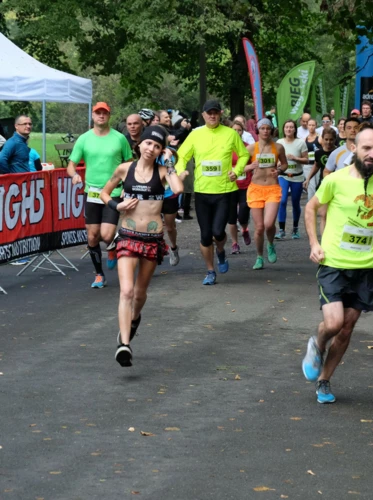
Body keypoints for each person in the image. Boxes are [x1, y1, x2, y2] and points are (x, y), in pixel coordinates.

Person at [301, 128, 373, 403]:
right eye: (366, 148)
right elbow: (310, 208)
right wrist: (314, 243)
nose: (372, 154)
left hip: (368, 267)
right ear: (354, 149)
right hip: (333, 261)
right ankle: (318, 343)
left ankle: (324, 380)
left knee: (346, 328)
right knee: (333, 323)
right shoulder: (335, 180)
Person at [100, 126, 184, 367]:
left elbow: (178, 189)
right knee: (126, 291)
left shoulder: (162, 172)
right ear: (140, 145)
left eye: (157, 146)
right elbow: (105, 193)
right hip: (127, 235)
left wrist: (169, 163)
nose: (151, 149)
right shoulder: (125, 169)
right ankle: (124, 344)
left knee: (139, 293)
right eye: (148, 144)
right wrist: (116, 206)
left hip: (152, 240)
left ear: (161, 150)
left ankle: (134, 319)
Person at [175, 100, 250, 285]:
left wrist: (238, 170)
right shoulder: (195, 134)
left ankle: (221, 251)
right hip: (202, 192)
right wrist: (180, 172)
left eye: (215, 112)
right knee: (205, 235)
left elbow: (244, 155)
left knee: (218, 232)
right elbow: (182, 155)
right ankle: (210, 270)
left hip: (225, 191)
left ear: (220, 114)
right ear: (203, 115)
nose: (212, 115)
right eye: (209, 113)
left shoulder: (231, 133)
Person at [67, 103, 133, 288]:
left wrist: (129, 185)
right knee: (92, 236)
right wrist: (74, 175)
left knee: (107, 234)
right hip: (92, 193)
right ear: (93, 116)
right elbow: (71, 164)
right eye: (98, 113)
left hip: (114, 192)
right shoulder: (84, 139)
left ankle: (112, 246)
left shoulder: (119, 139)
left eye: (104, 113)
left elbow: (130, 164)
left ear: (109, 116)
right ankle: (98, 275)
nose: (101, 116)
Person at [246, 118, 288, 269]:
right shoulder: (251, 148)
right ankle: (259, 256)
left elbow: (284, 164)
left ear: (271, 130)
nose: (265, 131)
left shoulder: (278, 147)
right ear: (258, 130)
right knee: (259, 227)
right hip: (255, 189)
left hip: (272, 188)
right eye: (262, 128)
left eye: (267, 128)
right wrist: (250, 166)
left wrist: (279, 170)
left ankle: (270, 244)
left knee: (269, 224)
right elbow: (241, 168)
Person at [275, 120, 308, 239]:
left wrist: (295, 158)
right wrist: (278, 163)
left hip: (297, 176)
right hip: (283, 175)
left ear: (295, 129)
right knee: (282, 200)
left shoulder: (300, 143)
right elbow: (275, 158)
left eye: (291, 127)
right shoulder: (279, 142)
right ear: (283, 129)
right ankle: (281, 230)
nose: (289, 129)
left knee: (295, 202)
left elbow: (307, 160)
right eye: (286, 127)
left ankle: (295, 229)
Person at [228, 120, 254, 254]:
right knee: (231, 216)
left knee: (243, 213)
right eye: (234, 130)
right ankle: (234, 243)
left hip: (245, 185)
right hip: (230, 186)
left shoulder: (248, 147)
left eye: (239, 130)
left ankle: (244, 230)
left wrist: (244, 168)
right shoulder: (225, 147)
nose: (237, 132)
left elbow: (254, 165)